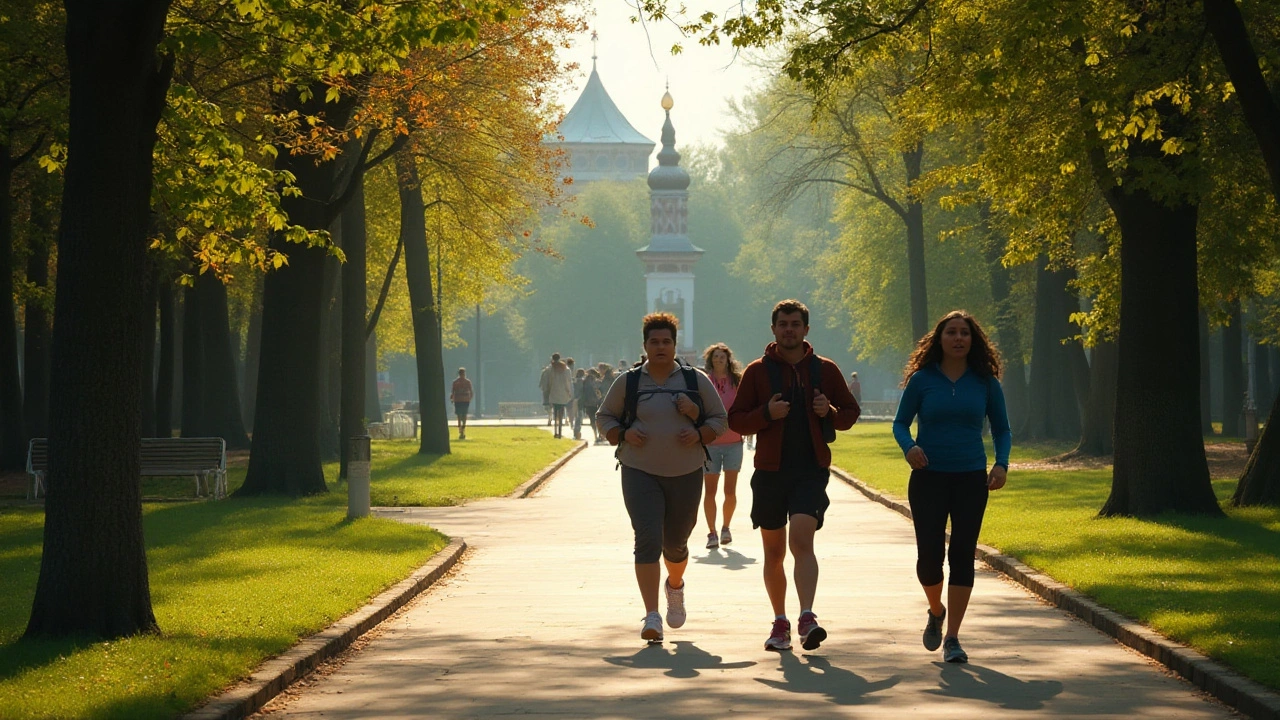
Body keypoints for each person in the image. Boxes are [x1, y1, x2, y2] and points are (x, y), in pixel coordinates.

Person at [728, 299, 861, 652]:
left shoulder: (825, 370)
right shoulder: (758, 372)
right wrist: (767, 413)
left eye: (795, 324)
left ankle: (806, 617)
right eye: (783, 324)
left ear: (806, 329)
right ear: (773, 329)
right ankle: (780, 622)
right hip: (770, 473)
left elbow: (849, 414)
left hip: (810, 471)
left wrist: (828, 411)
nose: (789, 329)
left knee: (802, 541)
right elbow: (736, 420)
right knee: (773, 553)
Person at [598, 312, 727, 643]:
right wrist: (626, 433)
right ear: (644, 346)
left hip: (686, 472)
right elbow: (605, 417)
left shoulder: (694, 379)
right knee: (647, 538)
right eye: (654, 342)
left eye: (666, 341)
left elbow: (719, 420)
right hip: (639, 471)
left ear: (674, 345)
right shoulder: (629, 381)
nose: (660, 347)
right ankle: (651, 615)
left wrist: (698, 433)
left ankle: (675, 586)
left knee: (676, 542)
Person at [893, 310, 1010, 664]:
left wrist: (1001, 463)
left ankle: (954, 638)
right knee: (930, 559)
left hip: (971, 477)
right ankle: (936, 609)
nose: (958, 338)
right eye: (951, 333)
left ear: (973, 341)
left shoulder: (986, 382)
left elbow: (1002, 429)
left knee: (962, 555)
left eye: (965, 333)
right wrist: (909, 447)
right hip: (928, 477)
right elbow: (900, 423)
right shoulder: (922, 380)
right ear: (939, 339)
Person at [701, 342, 744, 550]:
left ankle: (726, 527)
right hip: (711, 444)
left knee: (730, 491)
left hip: (734, 442)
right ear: (711, 360)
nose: (719, 360)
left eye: (722, 357)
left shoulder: (737, 381)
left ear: (728, 360)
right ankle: (712, 532)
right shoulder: (705, 382)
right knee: (710, 491)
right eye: (715, 357)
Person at [547, 353, 574, 438]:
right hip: (563, 392)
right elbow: (569, 382)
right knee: (561, 412)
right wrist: (570, 392)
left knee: (555, 412)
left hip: (554, 392)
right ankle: (560, 431)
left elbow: (549, 382)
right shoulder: (566, 369)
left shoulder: (550, 369)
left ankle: (555, 431)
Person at [580, 367, 605, 444]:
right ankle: (600, 434)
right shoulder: (597, 382)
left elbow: (582, 393)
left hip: (588, 403)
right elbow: (601, 392)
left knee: (592, 420)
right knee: (598, 419)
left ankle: (596, 436)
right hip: (596, 403)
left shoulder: (584, 382)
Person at [450, 368, 474, 440]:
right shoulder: (458, 382)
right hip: (460, 400)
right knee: (461, 415)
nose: (462, 375)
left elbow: (471, 391)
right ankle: (461, 429)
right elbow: (453, 392)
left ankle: (462, 429)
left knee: (462, 415)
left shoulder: (465, 382)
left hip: (462, 400)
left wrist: (469, 398)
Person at [571, 367, 586, 440]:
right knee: (579, 417)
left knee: (576, 416)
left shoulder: (574, 381)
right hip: (581, 401)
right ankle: (577, 431)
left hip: (574, 400)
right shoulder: (583, 381)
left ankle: (575, 431)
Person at [538, 357, 554, 426]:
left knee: (547, 405)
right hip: (553, 390)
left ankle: (550, 416)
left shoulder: (545, 371)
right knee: (552, 405)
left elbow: (541, 382)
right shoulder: (557, 370)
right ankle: (551, 416)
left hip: (547, 390)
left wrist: (542, 386)